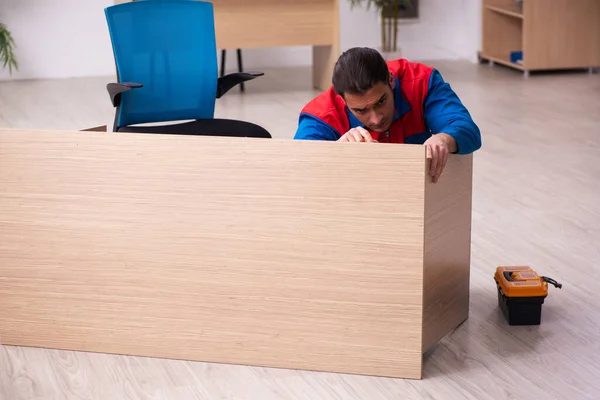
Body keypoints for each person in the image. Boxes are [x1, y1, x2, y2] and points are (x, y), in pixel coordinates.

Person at [294, 47, 482, 183]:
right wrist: (336, 153)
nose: (376, 119)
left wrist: (444, 139)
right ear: (342, 100)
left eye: (381, 102)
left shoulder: (422, 81)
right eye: (361, 110)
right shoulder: (319, 114)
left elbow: (467, 129)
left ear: (391, 79)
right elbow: (298, 167)